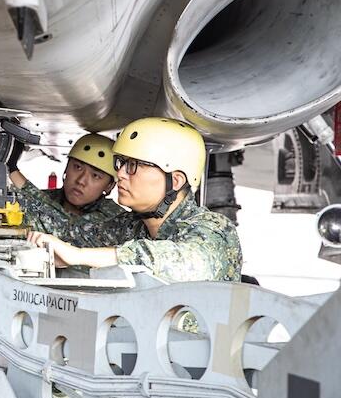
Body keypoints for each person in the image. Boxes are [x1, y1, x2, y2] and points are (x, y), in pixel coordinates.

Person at [26, 118, 242, 283]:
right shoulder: (131, 226)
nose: (120, 174)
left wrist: (79, 255)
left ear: (175, 180)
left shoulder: (215, 230)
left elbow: (187, 261)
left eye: (133, 166)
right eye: (121, 164)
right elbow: (66, 232)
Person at [9, 133, 124, 236]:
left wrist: (13, 171)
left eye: (95, 176)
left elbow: (68, 229)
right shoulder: (46, 197)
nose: (81, 181)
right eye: (77, 167)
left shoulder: (115, 218)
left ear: (109, 186)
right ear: (66, 169)